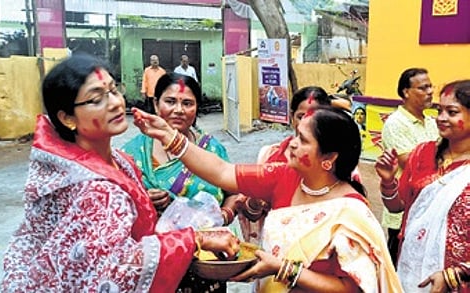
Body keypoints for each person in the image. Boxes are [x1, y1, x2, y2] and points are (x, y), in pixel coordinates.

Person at [0, 53, 240, 292]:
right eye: (96, 100)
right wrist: (194, 239)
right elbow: (114, 272)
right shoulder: (93, 189)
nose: (115, 103)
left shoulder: (120, 162)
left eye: (114, 90)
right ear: (67, 118)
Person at [133, 105, 403, 292]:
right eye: (295, 133)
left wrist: (281, 269)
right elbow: (221, 171)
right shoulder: (283, 176)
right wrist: (170, 137)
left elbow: (351, 287)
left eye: (303, 139)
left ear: (329, 159)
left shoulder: (352, 213)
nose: (292, 143)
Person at [122, 72, 237, 292]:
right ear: (156, 105)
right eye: (170, 101)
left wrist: (224, 215)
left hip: (206, 266)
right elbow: (117, 210)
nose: (178, 110)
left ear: (196, 109)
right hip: (156, 265)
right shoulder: (132, 153)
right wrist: (144, 203)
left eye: (187, 103)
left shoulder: (211, 149)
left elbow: (234, 192)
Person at [375, 79, 470, 292]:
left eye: (452, 112)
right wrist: (388, 181)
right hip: (412, 271)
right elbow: (397, 207)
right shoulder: (422, 154)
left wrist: (454, 275)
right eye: (439, 110)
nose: (441, 118)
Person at [236, 86, 332, 245]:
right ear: (292, 117)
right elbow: (252, 215)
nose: (306, 124)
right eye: (301, 116)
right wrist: (255, 202)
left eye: (315, 117)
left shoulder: (339, 162)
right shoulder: (270, 156)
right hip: (276, 251)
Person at [380, 67, 439, 265]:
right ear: (406, 92)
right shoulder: (396, 123)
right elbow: (410, 162)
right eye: (423, 88)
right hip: (402, 208)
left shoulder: (431, 122)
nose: (430, 92)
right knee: (398, 265)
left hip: (427, 207)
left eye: (430, 86)